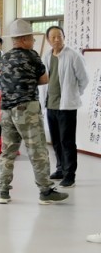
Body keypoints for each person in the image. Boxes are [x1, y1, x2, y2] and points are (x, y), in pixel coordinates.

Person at [0, 19, 68, 206]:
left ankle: (3, 191)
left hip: (5, 109)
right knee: (38, 150)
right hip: (27, 108)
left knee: (8, 151)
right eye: (32, 39)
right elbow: (44, 79)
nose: (33, 42)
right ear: (25, 39)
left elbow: (4, 80)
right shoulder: (32, 56)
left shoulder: (3, 58)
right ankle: (45, 191)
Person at [40, 25, 88, 188]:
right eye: (53, 37)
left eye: (59, 36)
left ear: (64, 37)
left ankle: (69, 174)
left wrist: (73, 95)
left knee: (67, 141)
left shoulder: (73, 55)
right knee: (56, 141)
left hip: (67, 106)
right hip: (51, 105)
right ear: (48, 40)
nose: (56, 39)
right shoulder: (47, 56)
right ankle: (60, 169)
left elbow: (84, 79)